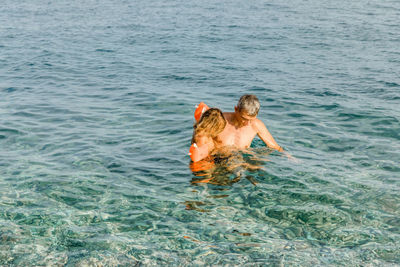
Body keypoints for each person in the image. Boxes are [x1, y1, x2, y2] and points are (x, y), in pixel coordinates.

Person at [218, 94, 287, 154]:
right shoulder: (220, 120)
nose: (248, 124)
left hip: (241, 159)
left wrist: (290, 158)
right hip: (219, 158)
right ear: (236, 109)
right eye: (244, 118)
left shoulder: (256, 125)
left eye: (251, 119)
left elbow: (275, 146)